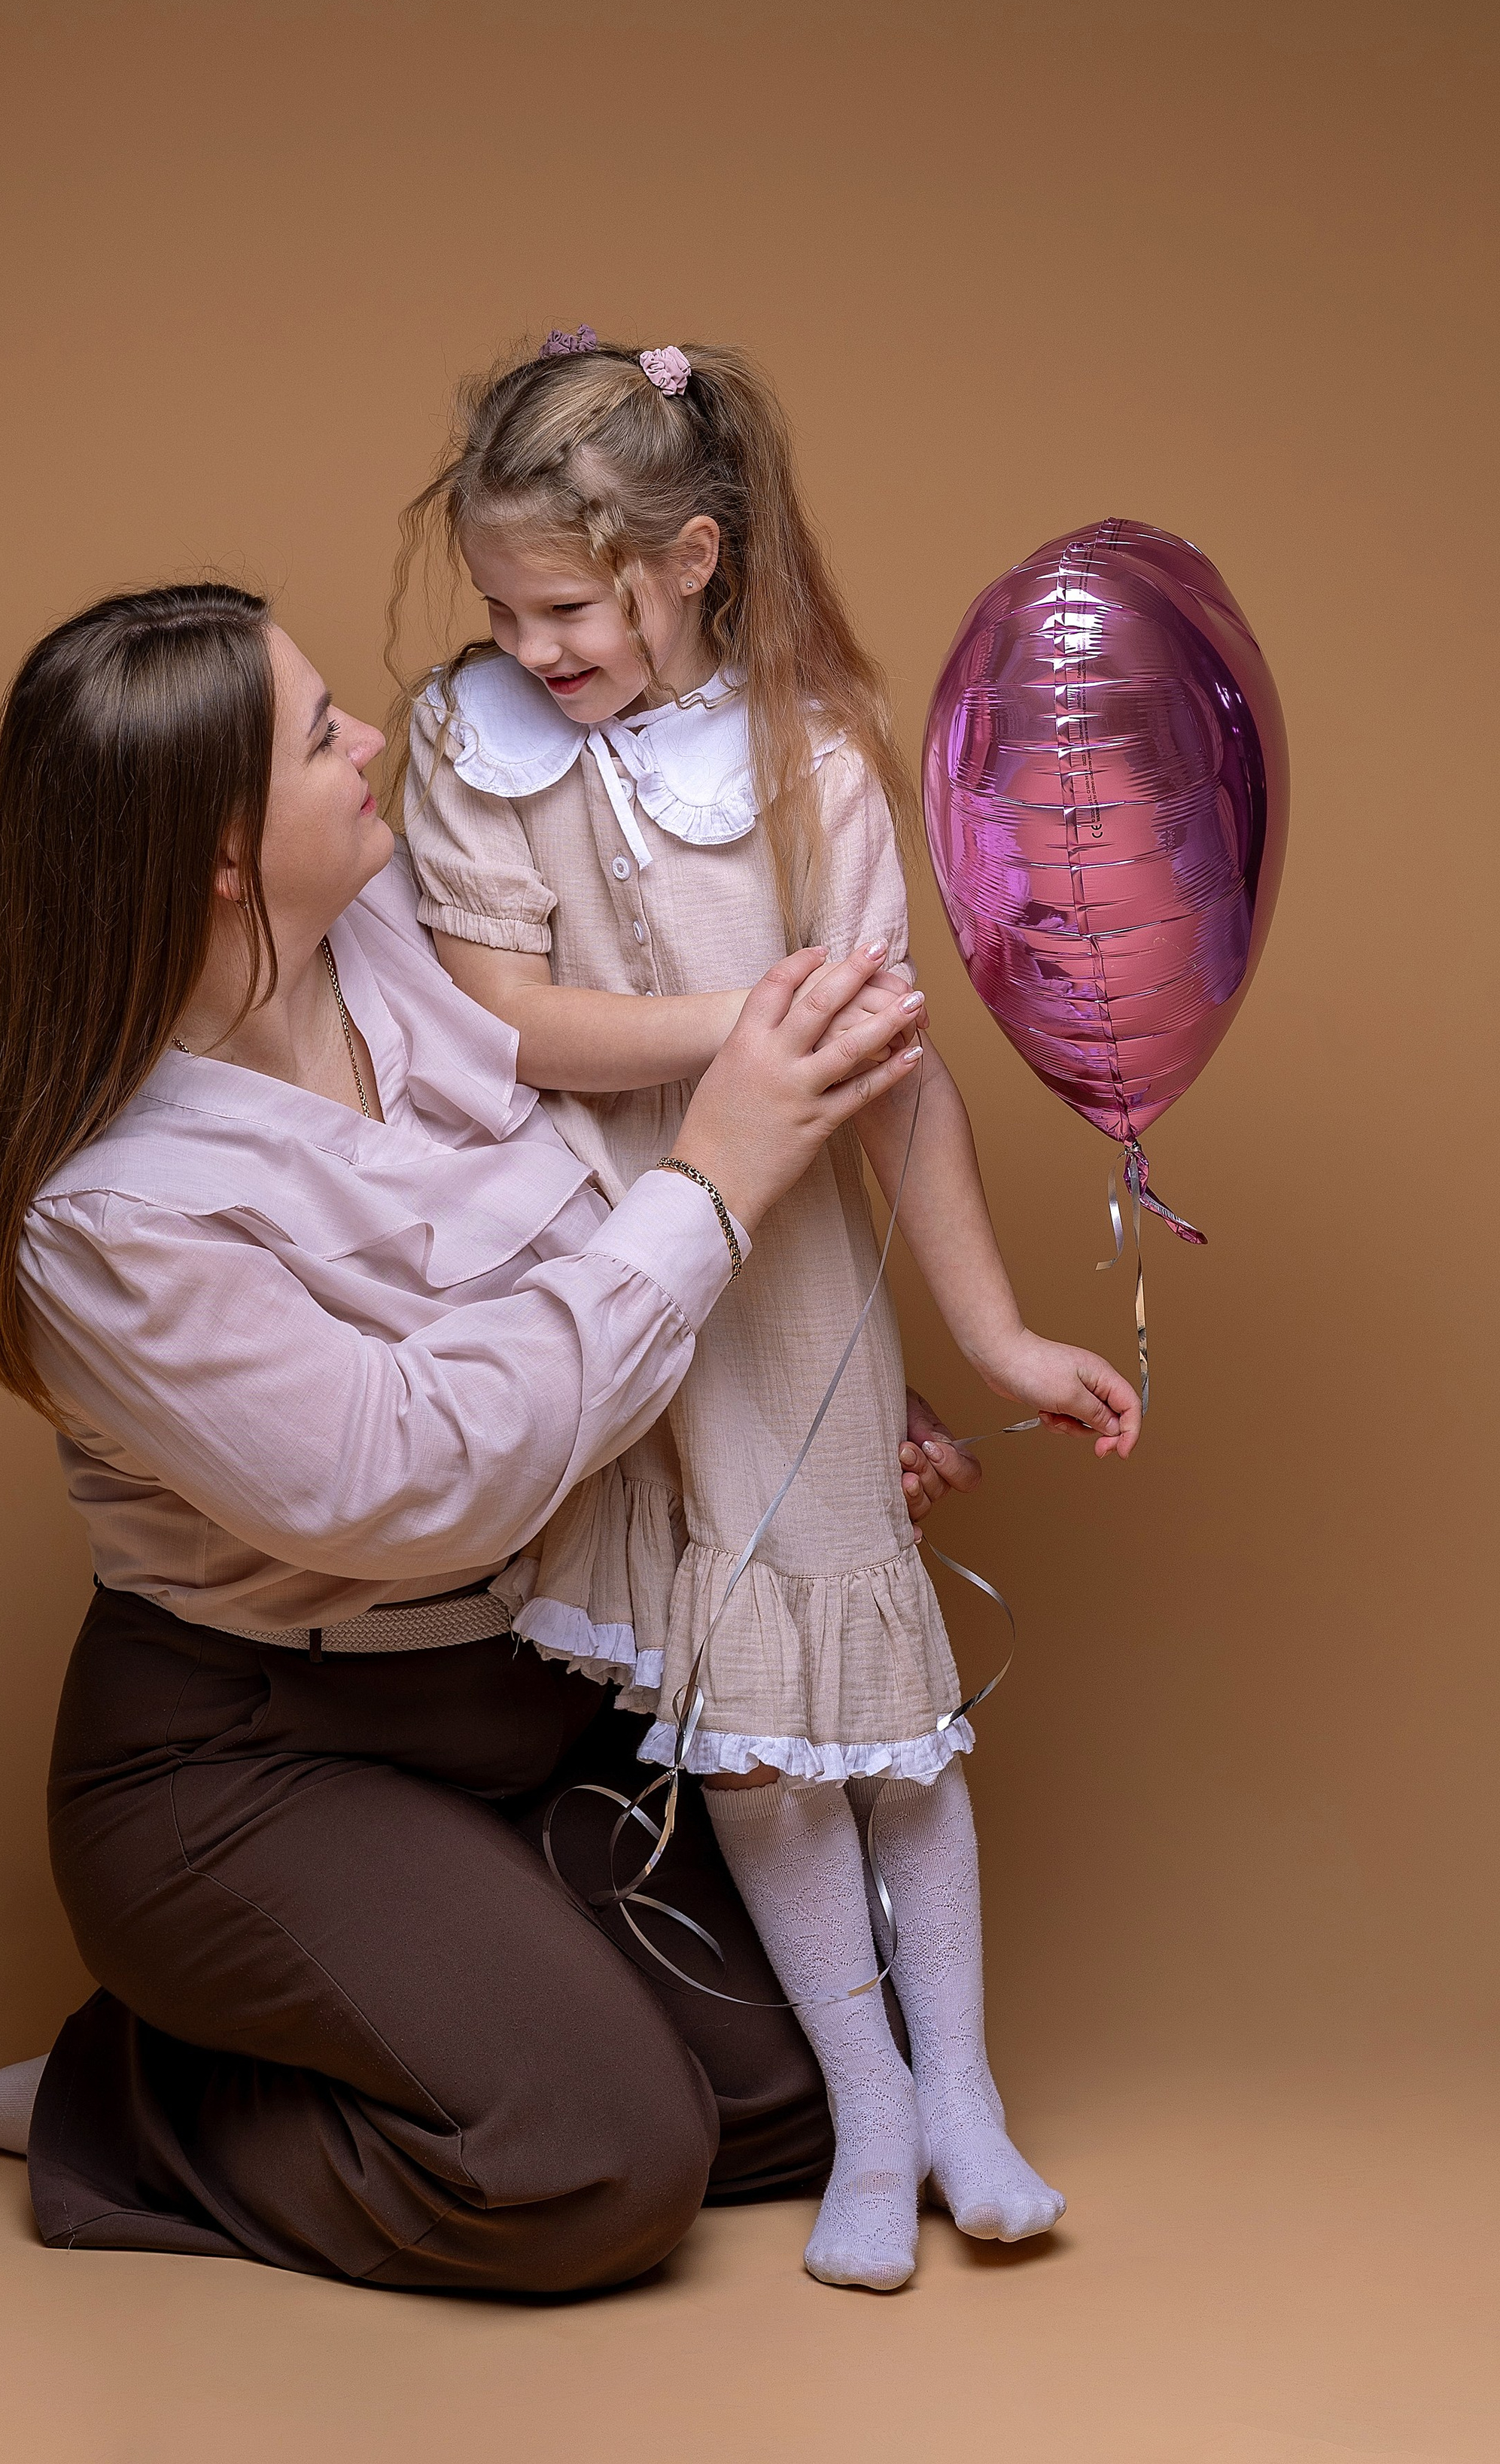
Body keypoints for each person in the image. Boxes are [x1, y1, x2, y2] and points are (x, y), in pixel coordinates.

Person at [0, 577, 934, 2294]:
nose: (372, 739)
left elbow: (615, 1193)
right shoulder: (106, 1214)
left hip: (539, 1685)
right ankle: (132, 2097)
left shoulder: (404, 930)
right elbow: (413, 1475)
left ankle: (439, 1980)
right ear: (223, 854)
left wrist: (820, 1398)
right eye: (317, 733)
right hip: (256, 1753)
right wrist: (718, 1180)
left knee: (834, 2069)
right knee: (603, 2161)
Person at [397, 330, 1141, 2290]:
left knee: (879, 1718)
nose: (530, 647)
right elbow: (497, 1014)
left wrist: (992, 1337)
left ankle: (958, 2093)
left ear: (691, 557)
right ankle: (865, 2109)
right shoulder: (469, 742)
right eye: (503, 607)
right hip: (601, 1264)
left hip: (790, 1293)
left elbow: (894, 1080)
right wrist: (752, 1024)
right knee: (741, 1735)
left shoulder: (808, 757)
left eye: (566, 610)